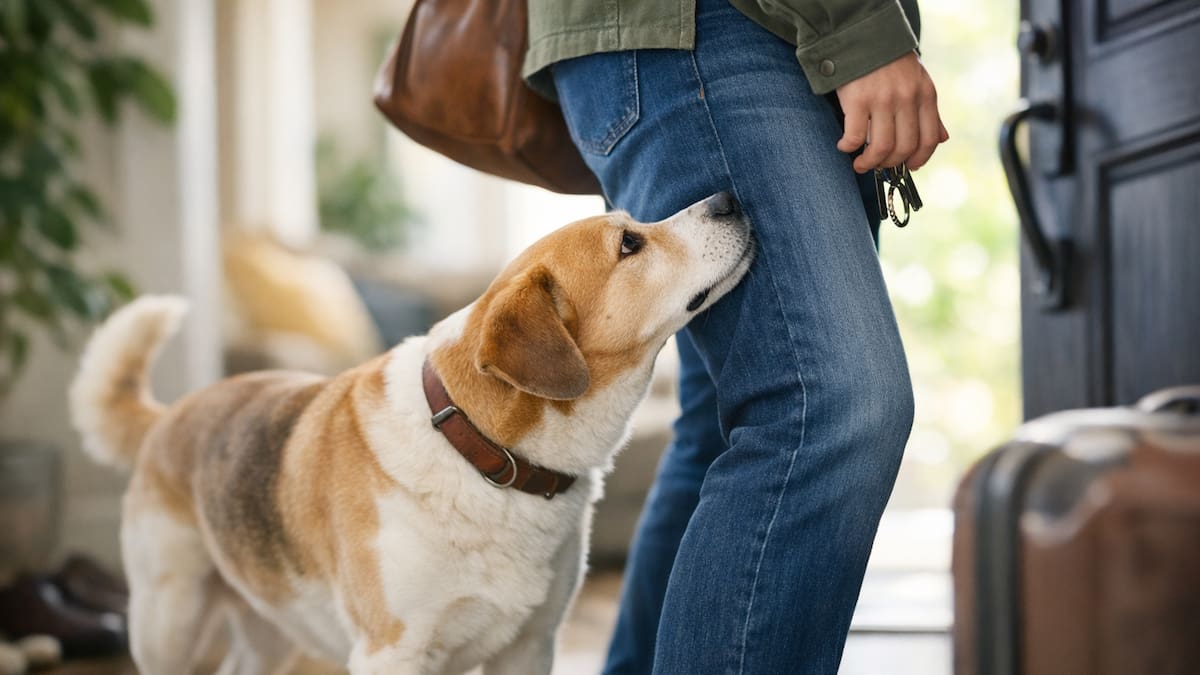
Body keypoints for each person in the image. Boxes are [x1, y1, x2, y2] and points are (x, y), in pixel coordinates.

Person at [523, 0, 949, 672]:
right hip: (710, 29)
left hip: (689, 39)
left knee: (724, 427)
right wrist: (858, 26)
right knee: (827, 407)